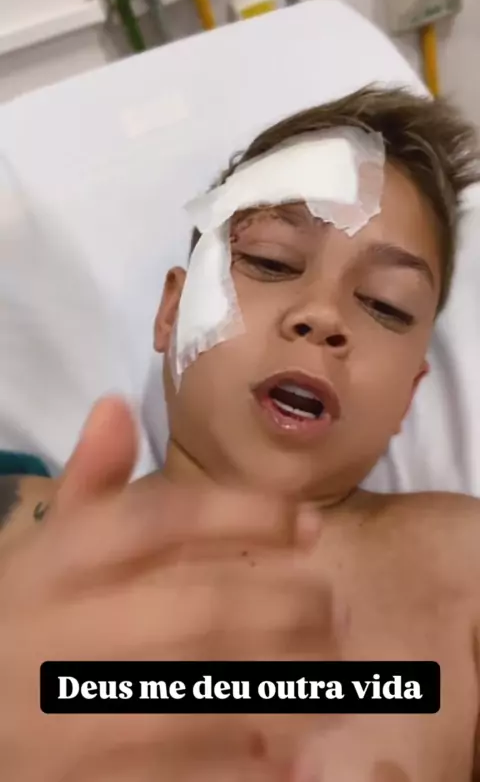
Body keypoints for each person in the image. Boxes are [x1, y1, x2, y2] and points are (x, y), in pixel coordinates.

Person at [2, 85, 480, 782]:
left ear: (410, 392)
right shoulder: (19, 529)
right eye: (271, 262)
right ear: (171, 312)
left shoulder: (462, 565)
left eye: (385, 305)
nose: (323, 315)